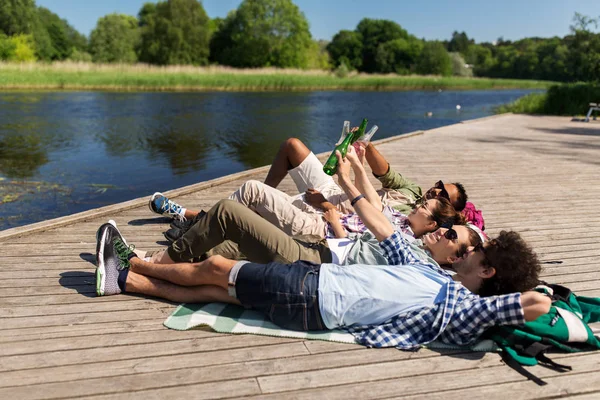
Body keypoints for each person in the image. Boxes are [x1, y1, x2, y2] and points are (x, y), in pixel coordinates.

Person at [94, 212, 546, 349]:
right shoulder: (435, 274)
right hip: (317, 283)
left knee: (216, 269)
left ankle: (132, 262)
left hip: (313, 295)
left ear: (488, 271)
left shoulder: (464, 308)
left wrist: (548, 293)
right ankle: (127, 283)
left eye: (475, 253)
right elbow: (390, 238)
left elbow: (534, 305)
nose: (465, 252)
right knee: (216, 289)